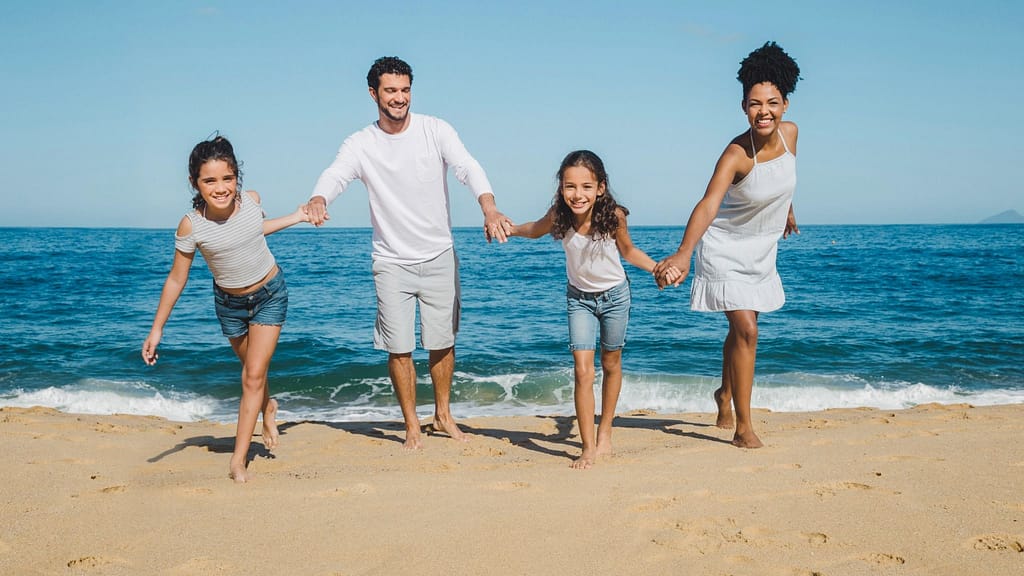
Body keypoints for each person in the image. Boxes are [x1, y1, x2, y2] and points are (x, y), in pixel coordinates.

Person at [305, 56, 511, 450]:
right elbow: (337, 173)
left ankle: (443, 416)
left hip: (439, 255)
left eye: (404, 90)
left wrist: (488, 207)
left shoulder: (436, 130)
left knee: (442, 341)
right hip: (390, 261)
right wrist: (318, 197)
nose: (399, 98)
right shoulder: (361, 143)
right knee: (398, 346)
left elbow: (468, 166)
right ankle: (412, 424)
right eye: (390, 91)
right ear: (373, 94)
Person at [654, 41, 802, 449]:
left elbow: (785, 178)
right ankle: (743, 426)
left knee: (740, 331)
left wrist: (788, 210)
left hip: (762, 248)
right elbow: (708, 204)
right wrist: (684, 254)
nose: (764, 111)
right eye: (755, 104)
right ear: (743, 107)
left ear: (785, 104)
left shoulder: (791, 135)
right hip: (724, 246)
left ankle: (723, 393)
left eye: (772, 103)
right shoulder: (736, 154)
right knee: (748, 330)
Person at [142, 135, 309, 482]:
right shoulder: (192, 225)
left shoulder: (251, 201)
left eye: (227, 178)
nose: (221, 188)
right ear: (195, 183)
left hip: (270, 293)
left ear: (237, 177)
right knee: (254, 371)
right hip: (229, 306)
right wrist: (157, 329)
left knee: (251, 376)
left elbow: (254, 231)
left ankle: (238, 459)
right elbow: (176, 279)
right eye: (210, 180)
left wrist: (296, 217)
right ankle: (269, 405)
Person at [510, 150, 679, 468]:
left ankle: (605, 433)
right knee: (583, 371)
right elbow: (534, 229)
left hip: (616, 296)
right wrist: (510, 228)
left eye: (586, 186)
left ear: (600, 187)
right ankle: (588, 447)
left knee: (611, 364)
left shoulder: (613, 216)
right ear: (561, 188)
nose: (578, 194)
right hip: (579, 300)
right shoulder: (559, 216)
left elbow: (628, 252)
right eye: (570, 186)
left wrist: (658, 268)